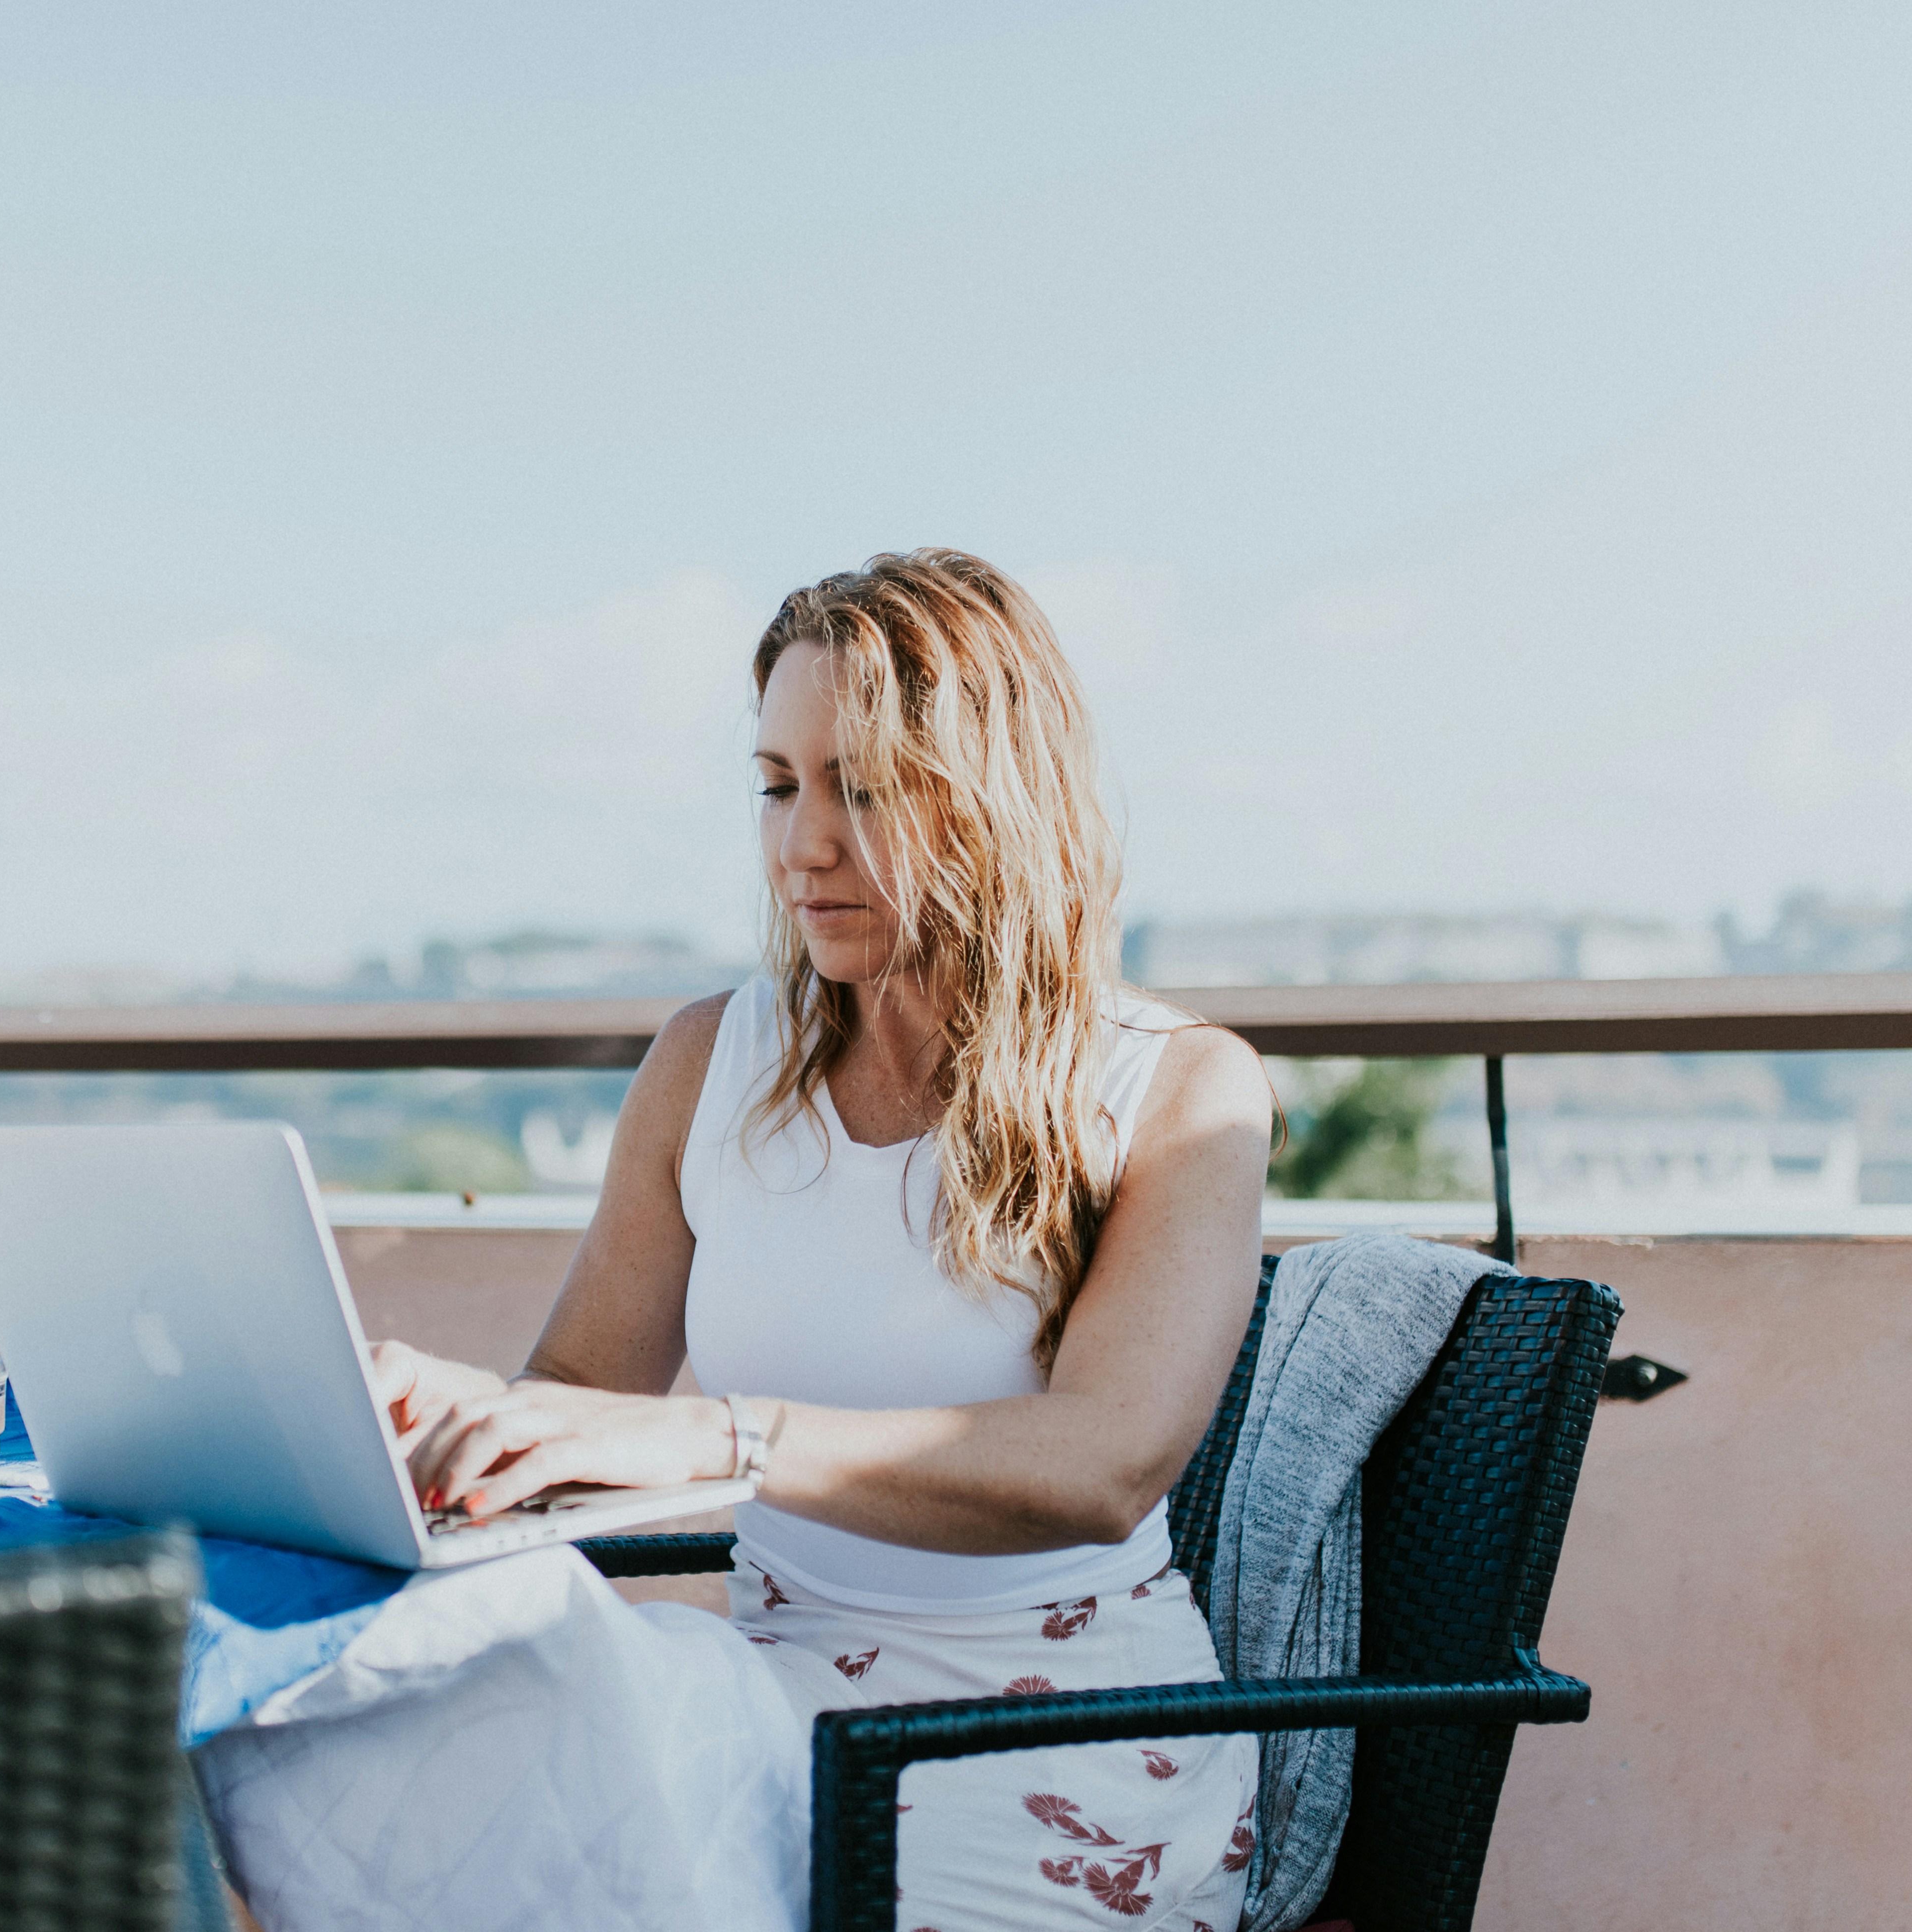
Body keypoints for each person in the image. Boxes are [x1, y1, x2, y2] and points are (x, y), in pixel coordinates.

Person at [200, 549, 1272, 1932]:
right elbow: (584, 1406)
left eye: (865, 788)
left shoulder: (1178, 1085)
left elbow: (1105, 1466)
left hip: (1054, 1748)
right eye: (776, 785)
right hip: (763, 1704)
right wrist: (446, 1430)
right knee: (359, 1772)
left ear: (998, 799)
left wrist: (727, 1442)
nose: (800, 847)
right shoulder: (711, 1059)